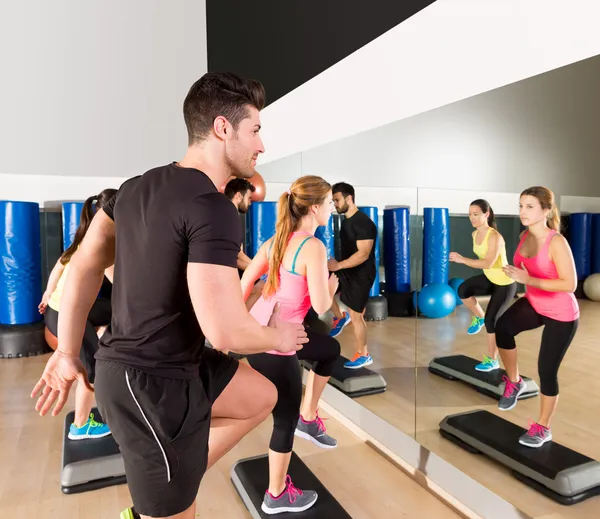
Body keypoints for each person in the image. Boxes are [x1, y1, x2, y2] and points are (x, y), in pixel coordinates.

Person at [31, 72, 309, 519]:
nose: (261, 146)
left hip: (177, 366)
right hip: (151, 387)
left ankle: (172, 477)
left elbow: (83, 264)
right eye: (255, 130)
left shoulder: (131, 189)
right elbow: (224, 332)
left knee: (260, 396)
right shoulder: (212, 207)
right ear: (223, 128)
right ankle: (159, 499)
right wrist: (277, 336)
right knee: (179, 512)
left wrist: (68, 350)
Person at [241, 175, 341, 515]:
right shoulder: (313, 247)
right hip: (277, 345)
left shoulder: (276, 240)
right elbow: (323, 306)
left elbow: (245, 281)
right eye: (329, 204)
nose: (332, 209)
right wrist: (330, 283)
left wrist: (242, 324)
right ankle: (276, 494)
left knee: (329, 351)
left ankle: (309, 417)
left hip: (257, 338)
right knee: (283, 421)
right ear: (314, 207)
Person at [495, 186, 579, 448]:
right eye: (521, 205)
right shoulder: (523, 235)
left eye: (529, 206)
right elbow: (524, 269)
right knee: (503, 328)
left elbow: (570, 284)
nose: (522, 211)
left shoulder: (556, 242)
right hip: (534, 302)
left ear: (546, 210)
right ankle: (515, 381)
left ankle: (543, 427)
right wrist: (514, 275)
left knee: (547, 370)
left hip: (561, 313)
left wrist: (528, 279)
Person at [38, 189, 116, 440]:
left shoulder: (83, 239)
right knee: (90, 368)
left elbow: (58, 267)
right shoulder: (105, 242)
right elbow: (119, 284)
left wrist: (47, 293)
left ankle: (104, 331)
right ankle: (81, 426)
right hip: (67, 317)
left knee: (117, 311)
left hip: (57, 309)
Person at [449, 199, 517, 372]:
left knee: (491, 321)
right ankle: (478, 316)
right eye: (470, 214)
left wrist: (463, 260)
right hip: (490, 278)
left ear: (486, 214)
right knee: (463, 290)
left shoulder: (494, 236)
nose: (472, 218)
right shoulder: (474, 234)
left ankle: (492, 360)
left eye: (476, 214)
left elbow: (488, 263)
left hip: (504, 283)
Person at [328, 182, 377, 369]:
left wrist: (338, 265)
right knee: (324, 284)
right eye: (333, 201)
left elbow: (363, 254)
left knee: (356, 316)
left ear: (349, 198)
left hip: (361, 274)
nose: (335, 204)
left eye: (337, 200)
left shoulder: (364, 223)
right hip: (346, 269)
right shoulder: (346, 221)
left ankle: (364, 354)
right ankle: (339, 317)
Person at [224, 177, 265, 310]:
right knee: (261, 285)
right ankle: (240, 320)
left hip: (227, 268)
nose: (250, 203)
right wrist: (263, 271)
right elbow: (237, 257)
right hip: (226, 270)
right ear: (238, 196)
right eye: (248, 198)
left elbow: (238, 254)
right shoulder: (230, 216)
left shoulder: (228, 214)